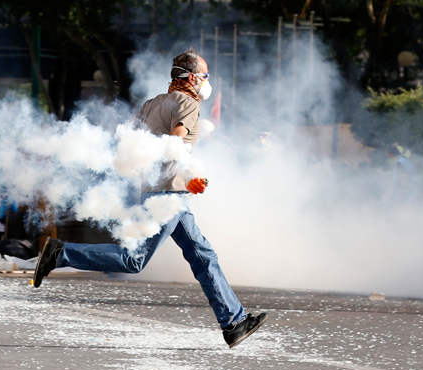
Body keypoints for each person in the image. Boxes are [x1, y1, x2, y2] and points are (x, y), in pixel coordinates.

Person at [32, 48, 268, 349]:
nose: (208, 82)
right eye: (205, 76)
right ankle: (61, 253)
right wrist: (192, 171)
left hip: (160, 190)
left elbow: (131, 139)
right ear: (193, 77)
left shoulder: (154, 103)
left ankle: (233, 323)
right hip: (168, 194)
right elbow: (173, 140)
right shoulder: (187, 102)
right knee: (134, 260)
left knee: (203, 256)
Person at [385, 143, 417, 209]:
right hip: (414, 196)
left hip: (405, 199)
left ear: (391, 154)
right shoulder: (406, 161)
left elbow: (404, 184)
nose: (387, 157)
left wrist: (399, 201)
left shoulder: (399, 163)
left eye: (387, 154)